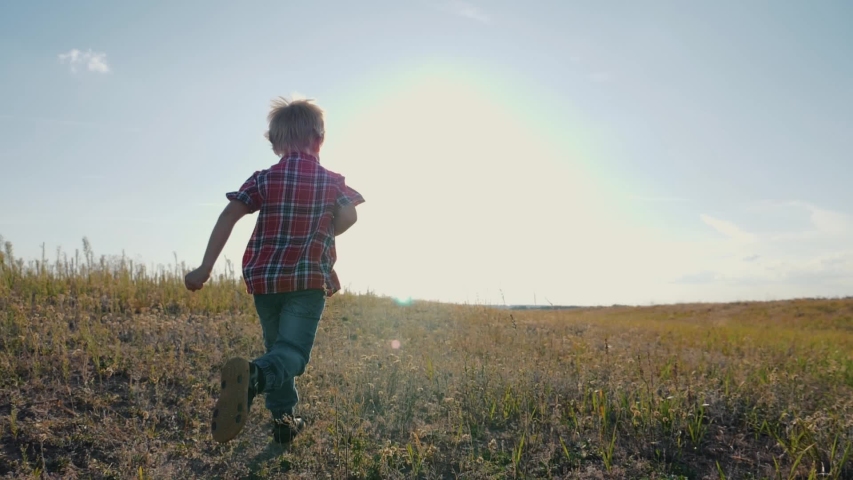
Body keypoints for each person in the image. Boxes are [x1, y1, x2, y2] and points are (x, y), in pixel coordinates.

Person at [184, 97, 364, 444]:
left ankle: (284, 420)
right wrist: (327, 233)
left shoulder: (263, 179)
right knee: (292, 353)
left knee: (277, 349)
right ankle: (255, 377)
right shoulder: (332, 182)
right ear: (319, 139)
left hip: (266, 282)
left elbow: (229, 215)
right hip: (307, 280)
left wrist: (205, 267)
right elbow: (349, 216)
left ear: (276, 143)